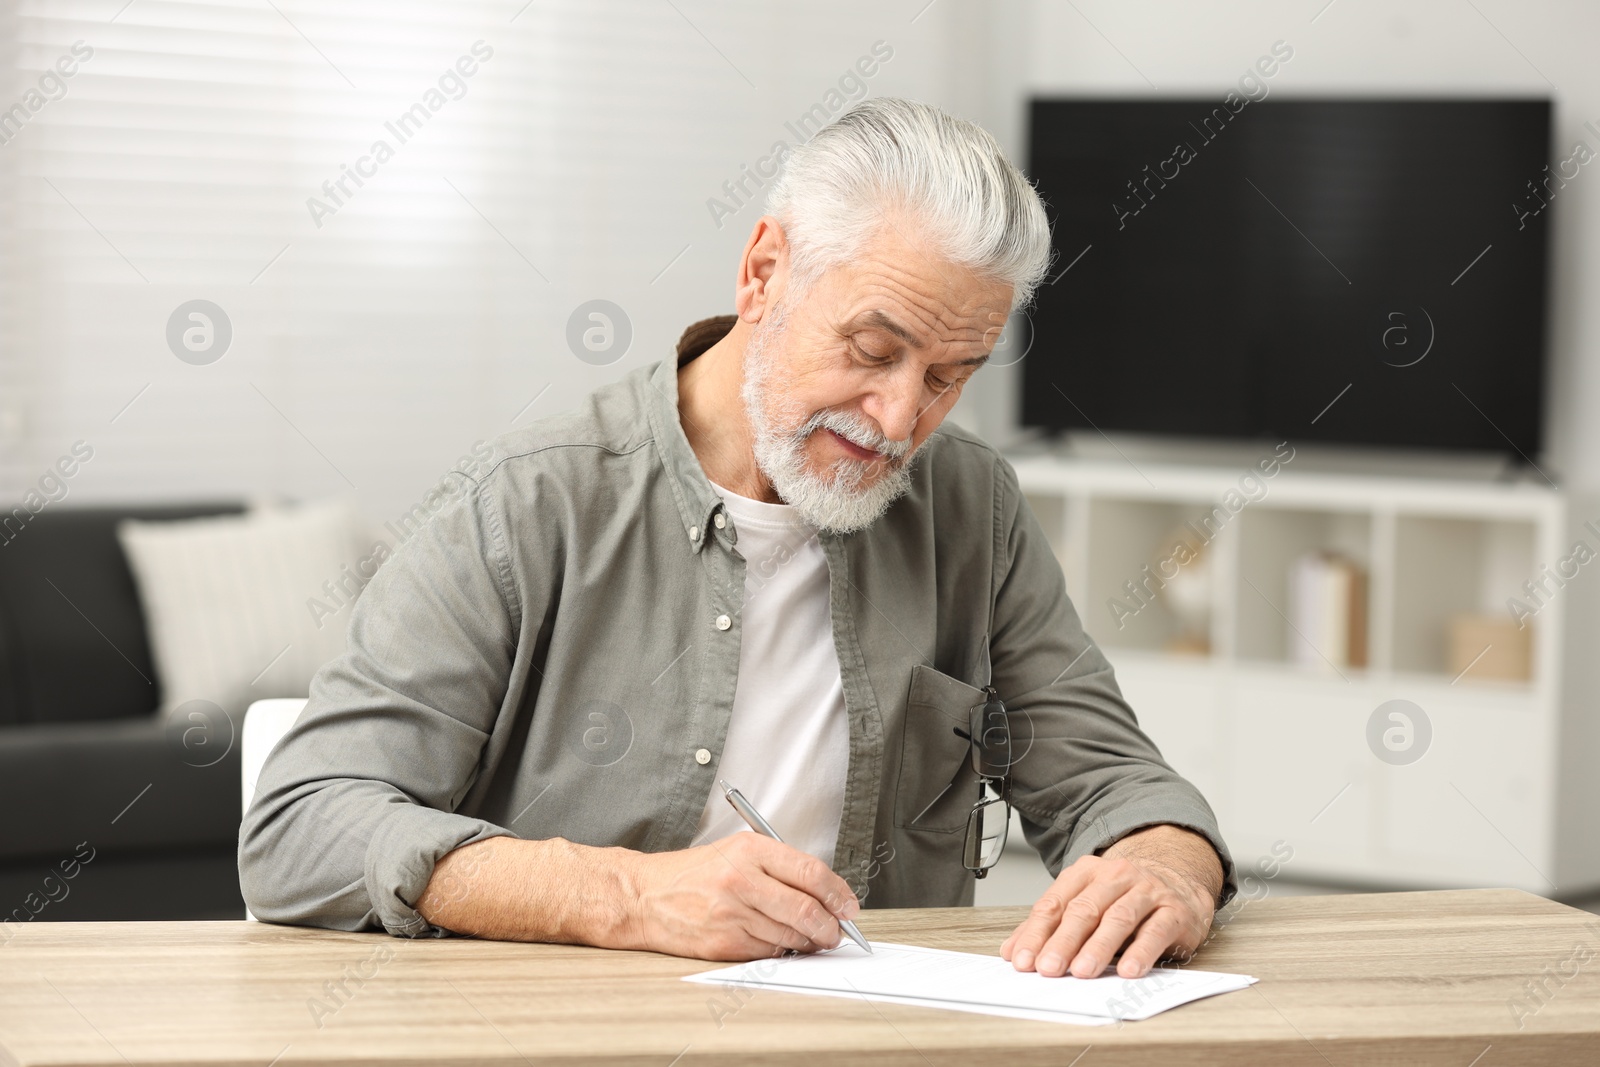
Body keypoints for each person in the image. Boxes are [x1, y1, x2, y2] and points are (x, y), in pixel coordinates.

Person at [240, 98, 1234, 981]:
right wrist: (626, 897)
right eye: (873, 350)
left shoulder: (970, 505)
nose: (898, 420)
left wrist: (1165, 869)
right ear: (764, 270)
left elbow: (1113, 779)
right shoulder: (525, 502)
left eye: (948, 374)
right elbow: (301, 825)